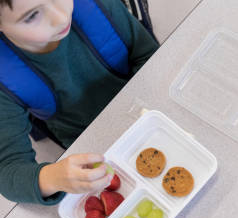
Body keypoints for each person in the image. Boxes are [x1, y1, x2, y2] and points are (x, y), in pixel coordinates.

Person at [0, 0, 158, 204]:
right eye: (32, 16)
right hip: (92, 144)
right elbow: (8, 171)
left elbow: (149, 57)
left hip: (149, 108)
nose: (61, 17)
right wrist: (52, 177)